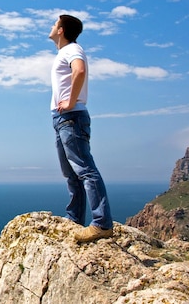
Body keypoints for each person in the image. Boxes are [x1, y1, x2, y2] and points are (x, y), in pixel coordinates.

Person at [49, 14, 113, 243]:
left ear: (61, 30)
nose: (52, 26)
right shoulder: (64, 52)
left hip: (71, 116)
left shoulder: (71, 50)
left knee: (84, 170)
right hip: (63, 118)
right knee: (71, 173)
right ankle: (74, 219)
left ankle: (102, 224)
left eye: (54, 23)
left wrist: (69, 101)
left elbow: (80, 70)